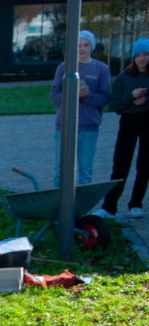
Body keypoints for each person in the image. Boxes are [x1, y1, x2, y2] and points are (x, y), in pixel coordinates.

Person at [96, 38, 149, 219]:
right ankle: (109, 206)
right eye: (138, 55)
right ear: (133, 58)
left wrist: (145, 101)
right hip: (128, 122)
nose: (142, 59)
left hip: (147, 121)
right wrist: (131, 97)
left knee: (145, 164)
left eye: (146, 55)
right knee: (120, 163)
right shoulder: (124, 78)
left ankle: (136, 203)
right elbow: (114, 105)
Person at [51, 30, 110, 187]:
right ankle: (59, 206)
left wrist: (88, 95)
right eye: (78, 45)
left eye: (86, 45)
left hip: (89, 125)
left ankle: (81, 208)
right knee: (60, 170)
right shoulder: (64, 68)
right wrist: (71, 95)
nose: (82, 49)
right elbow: (55, 96)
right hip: (65, 125)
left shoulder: (101, 69)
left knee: (85, 170)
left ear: (92, 47)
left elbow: (104, 98)